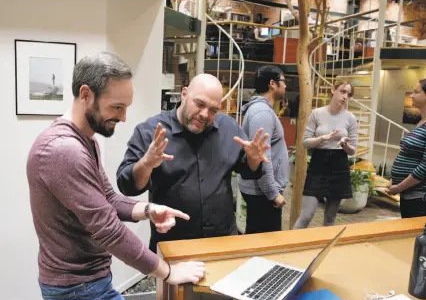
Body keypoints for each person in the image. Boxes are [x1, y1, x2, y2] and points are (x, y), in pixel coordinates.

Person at [26, 52, 205, 300]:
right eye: (116, 107)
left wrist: (148, 210)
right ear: (86, 94)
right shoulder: (64, 150)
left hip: (87, 282)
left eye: (126, 108)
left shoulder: (85, 140)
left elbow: (108, 198)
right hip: (78, 288)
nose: (123, 118)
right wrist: (167, 272)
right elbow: (108, 229)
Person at [117, 73, 269, 253]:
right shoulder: (150, 131)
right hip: (173, 244)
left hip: (223, 240)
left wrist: (254, 159)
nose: (205, 114)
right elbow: (127, 185)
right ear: (184, 94)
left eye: (213, 110)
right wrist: (146, 164)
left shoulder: (229, 128)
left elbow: (249, 171)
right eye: (200, 104)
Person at [293, 81, 358, 229]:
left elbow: (352, 150)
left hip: (339, 165)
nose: (345, 96)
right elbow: (305, 142)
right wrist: (322, 138)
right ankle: (289, 248)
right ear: (333, 90)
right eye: (342, 91)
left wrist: (344, 144)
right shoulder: (317, 113)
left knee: (330, 217)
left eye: (348, 94)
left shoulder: (350, 118)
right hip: (319, 163)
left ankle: (326, 249)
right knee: (306, 215)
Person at [387, 78, 426, 218]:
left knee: (416, 237)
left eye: (416, 92)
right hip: (411, 193)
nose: (411, 95)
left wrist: (399, 187)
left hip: (423, 195)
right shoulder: (422, 122)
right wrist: (394, 180)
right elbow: (409, 155)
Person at [238, 65, 289, 234]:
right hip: (262, 193)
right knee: (265, 244)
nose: (286, 85)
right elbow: (261, 157)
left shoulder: (262, 110)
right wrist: (273, 193)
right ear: (272, 84)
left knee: (258, 240)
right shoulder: (262, 113)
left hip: (262, 191)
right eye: (284, 81)